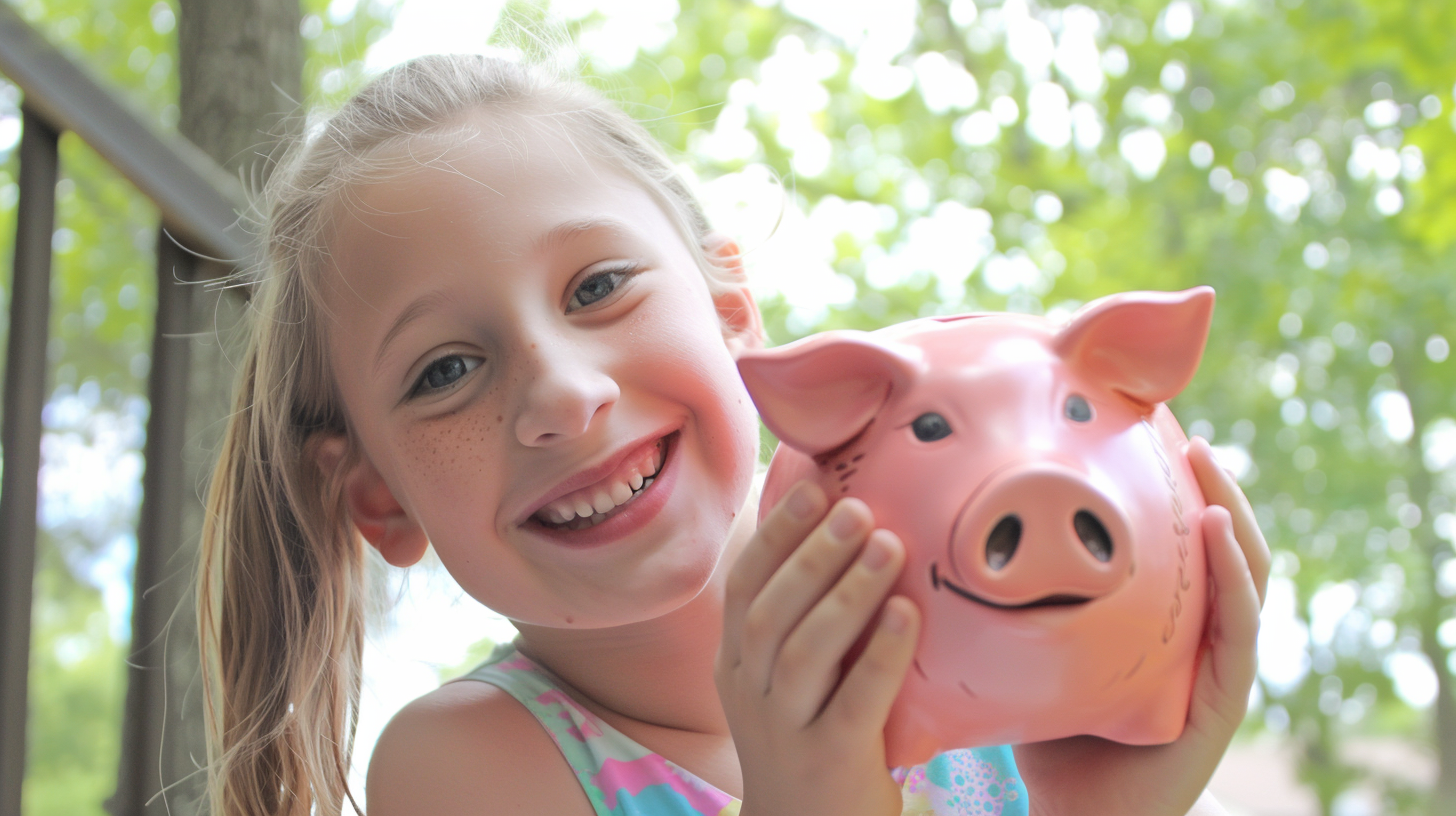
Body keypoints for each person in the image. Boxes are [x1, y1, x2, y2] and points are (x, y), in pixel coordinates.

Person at [197, 53, 1270, 816]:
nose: (563, 396)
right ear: (377, 496)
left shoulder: (1008, 640)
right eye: (444, 371)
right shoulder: (468, 769)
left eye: (599, 286)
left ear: (729, 313)